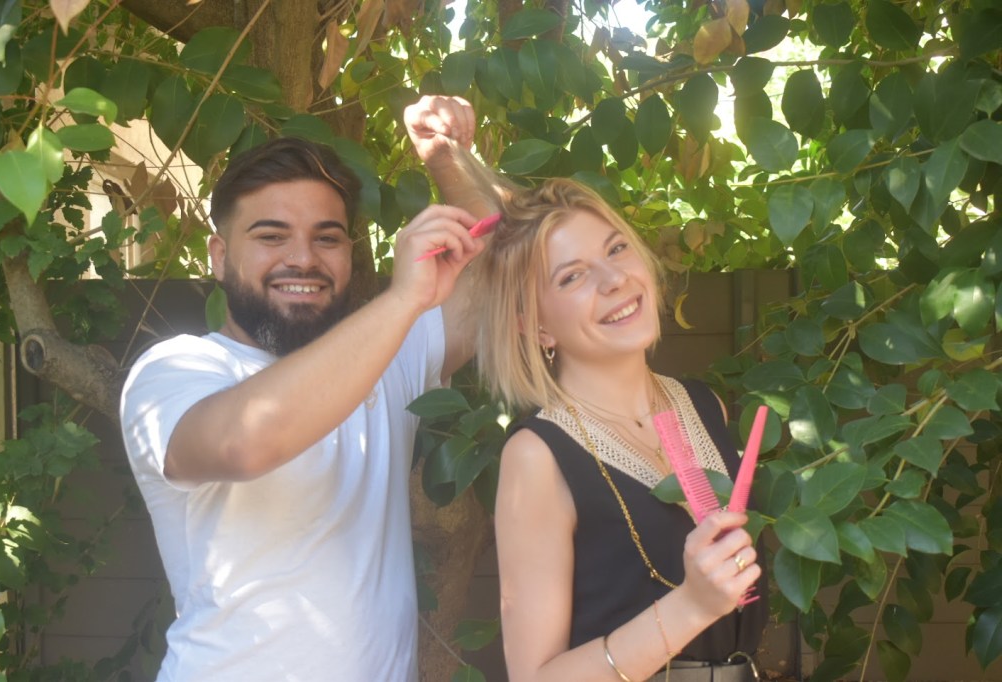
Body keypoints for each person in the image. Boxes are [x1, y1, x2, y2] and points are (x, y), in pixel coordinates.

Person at [119, 96, 485, 682]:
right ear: (219, 257)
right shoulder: (176, 369)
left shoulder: (386, 351)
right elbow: (245, 442)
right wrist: (403, 299)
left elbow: (500, 278)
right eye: (272, 236)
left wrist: (446, 158)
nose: (303, 259)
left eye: (327, 238)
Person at [424, 104, 768, 681]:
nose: (614, 280)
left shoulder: (702, 405)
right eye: (572, 276)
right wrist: (690, 607)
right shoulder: (537, 456)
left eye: (616, 249)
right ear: (535, 326)